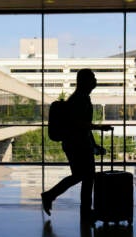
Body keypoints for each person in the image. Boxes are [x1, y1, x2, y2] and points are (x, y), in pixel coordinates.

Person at [41, 68, 109, 222]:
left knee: (84, 177)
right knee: (85, 177)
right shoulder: (79, 99)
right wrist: (97, 128)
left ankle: (82, 210)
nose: (95, 80)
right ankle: (53, 197)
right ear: (85, 81)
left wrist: (93, 144)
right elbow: (79, 124)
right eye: (92, 77)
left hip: (77, 144)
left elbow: (83, 126)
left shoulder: (81, 97)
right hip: (76, 145)